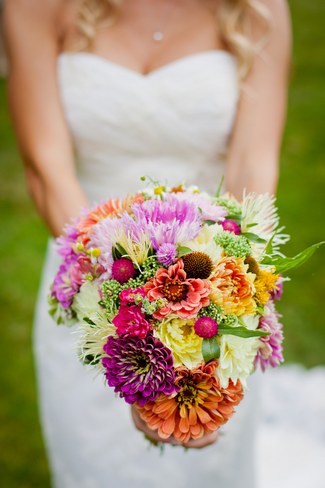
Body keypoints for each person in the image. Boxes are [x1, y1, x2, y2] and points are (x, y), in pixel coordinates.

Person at [3, 0, 291, 486]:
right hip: (91, 280)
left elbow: (253, 165)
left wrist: (226, 306)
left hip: (211, 294)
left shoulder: (258, 9)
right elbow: (46, 169)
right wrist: (122, 316)